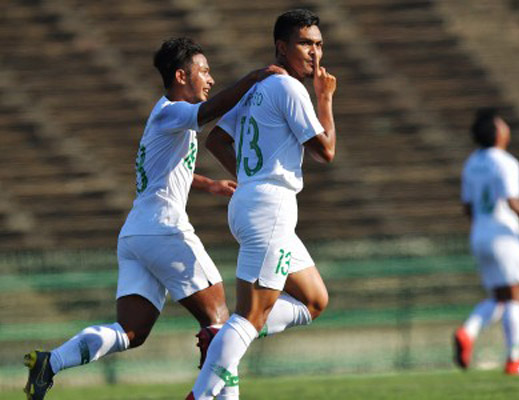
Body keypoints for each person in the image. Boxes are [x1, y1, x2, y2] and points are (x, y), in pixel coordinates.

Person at [23, 37, 285, 400]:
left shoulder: (163, 119)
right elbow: (205, 114)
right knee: (221, 322)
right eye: (203, 71)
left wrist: (209, 184)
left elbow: (166, 170)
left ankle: (50, 362)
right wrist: (253, 78)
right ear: (181, 76)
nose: (210, 79)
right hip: (164, 228)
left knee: (131, 330)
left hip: (136, 234)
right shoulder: (172, 111)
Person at [186, 9, 337, 399]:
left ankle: (224, 335)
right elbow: (326, 151)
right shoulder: (288, 88)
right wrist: (325, 99)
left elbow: (217, 140)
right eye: (306, 43)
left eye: (319, 44)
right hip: (270, 208)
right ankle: (201, 393)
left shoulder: (260, 87)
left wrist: (250, 177)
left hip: (257, 204)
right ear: (282, 47)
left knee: (314, 299)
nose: (315, 53)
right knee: (250, 318)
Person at [453, 108, 519, 376]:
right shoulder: (506, 162)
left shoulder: (471, 163)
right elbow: (513, 202)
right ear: (498, 133)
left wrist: (482, 226)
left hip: (480, 233)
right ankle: (515, 360)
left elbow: (467, 207)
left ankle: (468, 332)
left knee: (499, 298)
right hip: (503, 235)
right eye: (503, 126)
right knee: (514, 297)